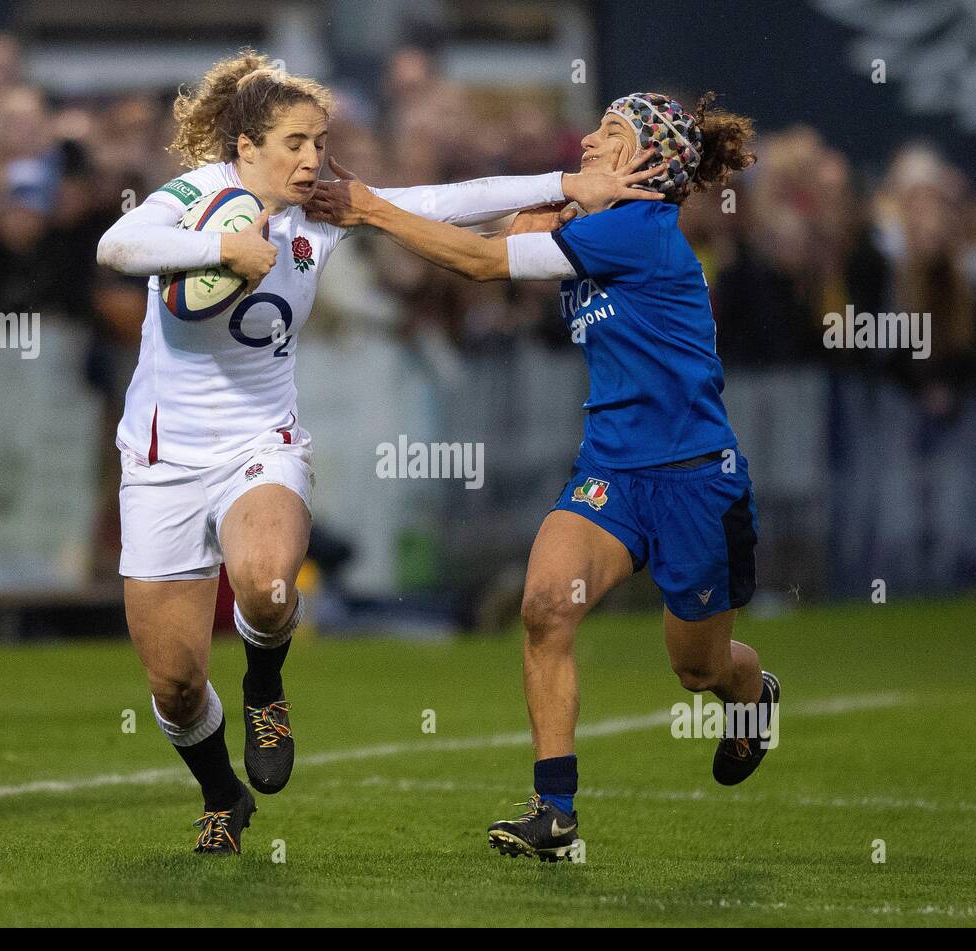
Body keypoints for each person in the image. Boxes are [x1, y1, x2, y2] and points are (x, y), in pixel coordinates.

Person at [96, 49, 644, 854]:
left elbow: (447, 201)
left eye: (318, 139)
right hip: (161, 458)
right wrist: (220, 251)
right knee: (175, 685)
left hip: (262, 442)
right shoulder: (199, 196)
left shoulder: (319, 210)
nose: (312, 158)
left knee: (269, 585)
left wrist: (565, 186)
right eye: (293, 141)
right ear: (245, 149)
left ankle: (265, 687)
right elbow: (116, 246)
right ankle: (222, 793)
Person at [306, 91, 778, 861]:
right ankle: (553, 812)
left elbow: (485, 259)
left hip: (695, 479)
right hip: (612, 472)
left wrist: (370, 211)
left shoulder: (636, 230)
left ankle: (753, 693)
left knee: (699, 670)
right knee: (543, 607)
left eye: (611, 133)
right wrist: (372, 199)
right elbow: (477, 221)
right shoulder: (587, 220)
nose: (590, 140)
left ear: (646, 160)